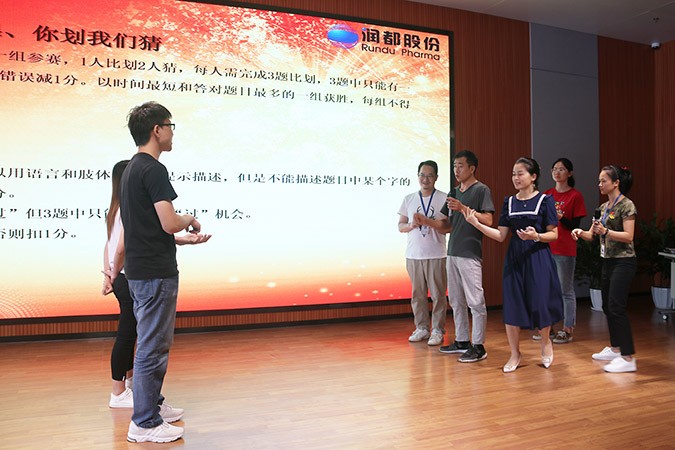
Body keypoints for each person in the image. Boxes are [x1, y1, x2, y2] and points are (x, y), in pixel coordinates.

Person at [120, 102, 211, 443]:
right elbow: (169, 221)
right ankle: (144, 423)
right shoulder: (154, 169)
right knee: (152, 348)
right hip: (155, 273)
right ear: (157, 130)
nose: (173, 132)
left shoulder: (131, 169)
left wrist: (180, 240)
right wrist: (189, 219)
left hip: (142, 270)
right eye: (170, 126)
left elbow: (146, 227)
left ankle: (152, 406)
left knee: (152, 344)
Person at [464, 157, 563, 372]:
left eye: (520, 173)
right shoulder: (509, 202)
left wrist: (536, 236)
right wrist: (476, 223)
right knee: (512, 304)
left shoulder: (545, 200)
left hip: (538, 257)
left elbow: (554, 234)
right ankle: (515, 354)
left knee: (540, 302)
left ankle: (546, 342)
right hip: (514, 259)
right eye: (513, 174)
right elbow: (500, 235)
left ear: (533, 176)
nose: (515, 178)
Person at [415, 150, 495, 363]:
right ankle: (462, 341)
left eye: (460, 166)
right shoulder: (454, 192)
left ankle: (478, 346)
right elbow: (446, 225)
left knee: (475, 301)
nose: (456, 170)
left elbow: (488, 220)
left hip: (470, 253)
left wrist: (463, 208)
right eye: (454, 166)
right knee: (457, 301)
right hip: (452, 252)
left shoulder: (481, 190)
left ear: (472, 168)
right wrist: (426, 221)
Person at [572, 165, 637, 373]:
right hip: (607, 261)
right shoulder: (603, 207)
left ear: (616, 183)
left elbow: (629, 236)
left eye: (603, 181)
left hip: (623, 261)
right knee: (608, 307)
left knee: (616, 306)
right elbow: (592, 235)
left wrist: (607, 231)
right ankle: (616, 348)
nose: (599, 184)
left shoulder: (626, 205)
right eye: (599, 181)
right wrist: (580, 232)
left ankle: (628, 358)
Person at [398, 160, 448, 346]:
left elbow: (448, 226)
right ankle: (422, 328)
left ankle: (437, 330)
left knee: (438, 296)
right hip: (414, 255)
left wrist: (428, 221)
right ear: (417, 176)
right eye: (422, 175)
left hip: (436, 254)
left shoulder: (444, 198)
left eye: (429, 175)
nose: (425, 179)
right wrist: (412, 225)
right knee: (417, 295)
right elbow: (400, 226)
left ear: (436, 177)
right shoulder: (409, 198)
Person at [539, 158, 587, 344]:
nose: (557, 172)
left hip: (565, 248)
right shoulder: (547, 194)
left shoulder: (575, 196)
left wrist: (561, 217)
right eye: (554, 169)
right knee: (547, 289)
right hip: (547, 247)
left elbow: (576, 225)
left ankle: (567, 329)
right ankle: (548, 328)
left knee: (565, 290)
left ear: (570, 173)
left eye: (561, 169)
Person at [102, 160, 136, 409]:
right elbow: (120, 248)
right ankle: (118, 392)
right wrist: (113, 273)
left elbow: (108, 245)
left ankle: (131, 384)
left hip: (120, 277)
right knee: (126, 335)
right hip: (126, 277)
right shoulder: (129, 209)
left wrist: (108, 275)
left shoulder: (114, 209)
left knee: (130, 333)